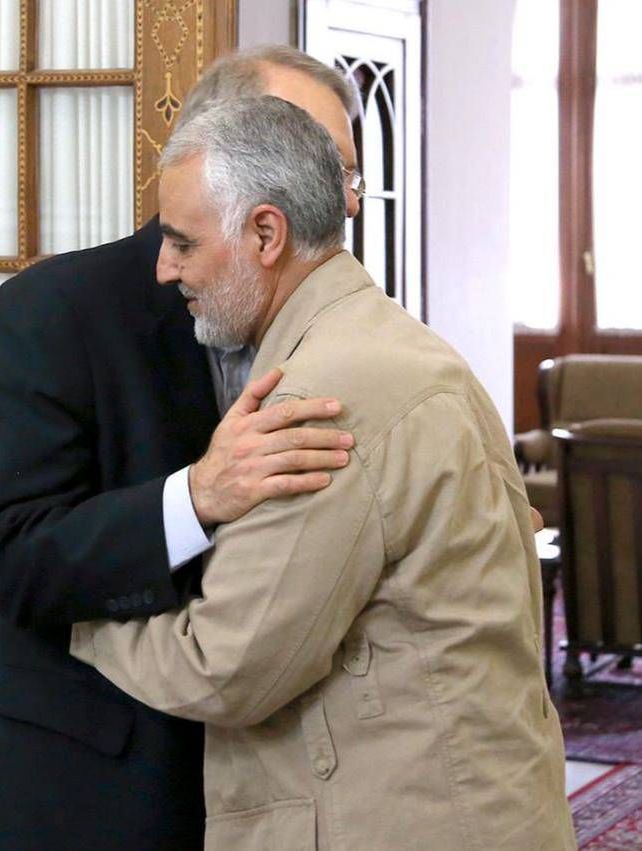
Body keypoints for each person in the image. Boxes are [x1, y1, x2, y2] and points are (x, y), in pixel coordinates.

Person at [69, 96, 578, 850]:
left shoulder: (319, 396)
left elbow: (225, 666)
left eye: (181, 241)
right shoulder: (392, 341)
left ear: (265, 233)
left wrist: (72, 618)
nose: (163, 267)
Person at [0, 46, 365, 851]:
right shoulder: (53, 310)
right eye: (316, 158)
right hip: (66, 787)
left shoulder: (340, 323)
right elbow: (12, 556)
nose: (346, 199)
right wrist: (195, 497)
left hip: (258, 781)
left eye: (347, 171)